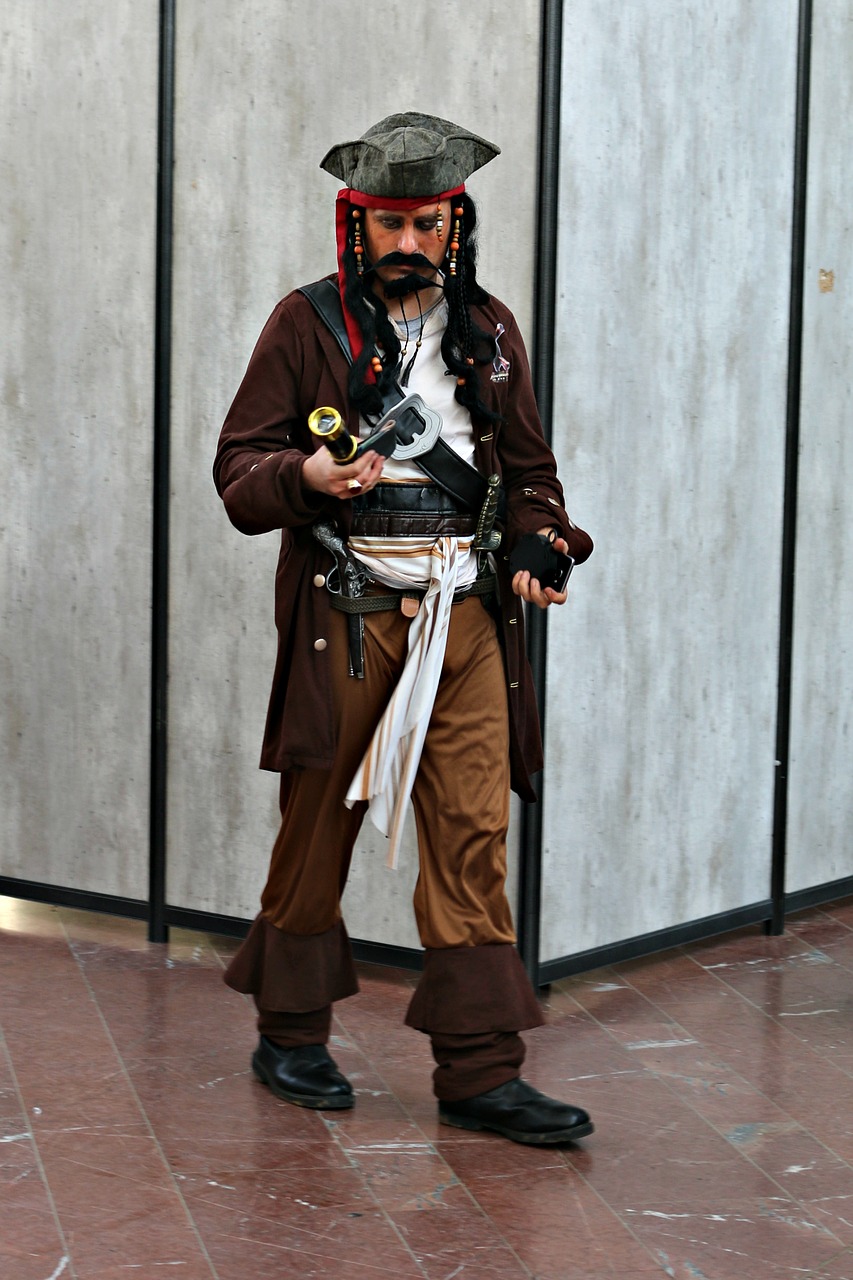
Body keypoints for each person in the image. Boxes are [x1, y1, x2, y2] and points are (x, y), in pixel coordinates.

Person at [213, 112, 594, 1145]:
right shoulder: (305, 325)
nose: (408, 243)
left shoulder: (491, 331)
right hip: (349, 614)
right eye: (389, 223)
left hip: (466, 620)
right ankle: (291, 1032)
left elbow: (531, 475)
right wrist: (305, 473)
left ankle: (480, 1072)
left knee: (472, 836)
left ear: (454, 225)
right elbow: (239, 471)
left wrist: (539, 541)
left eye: (427, 224)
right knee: (316, 826)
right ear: (356, 224)